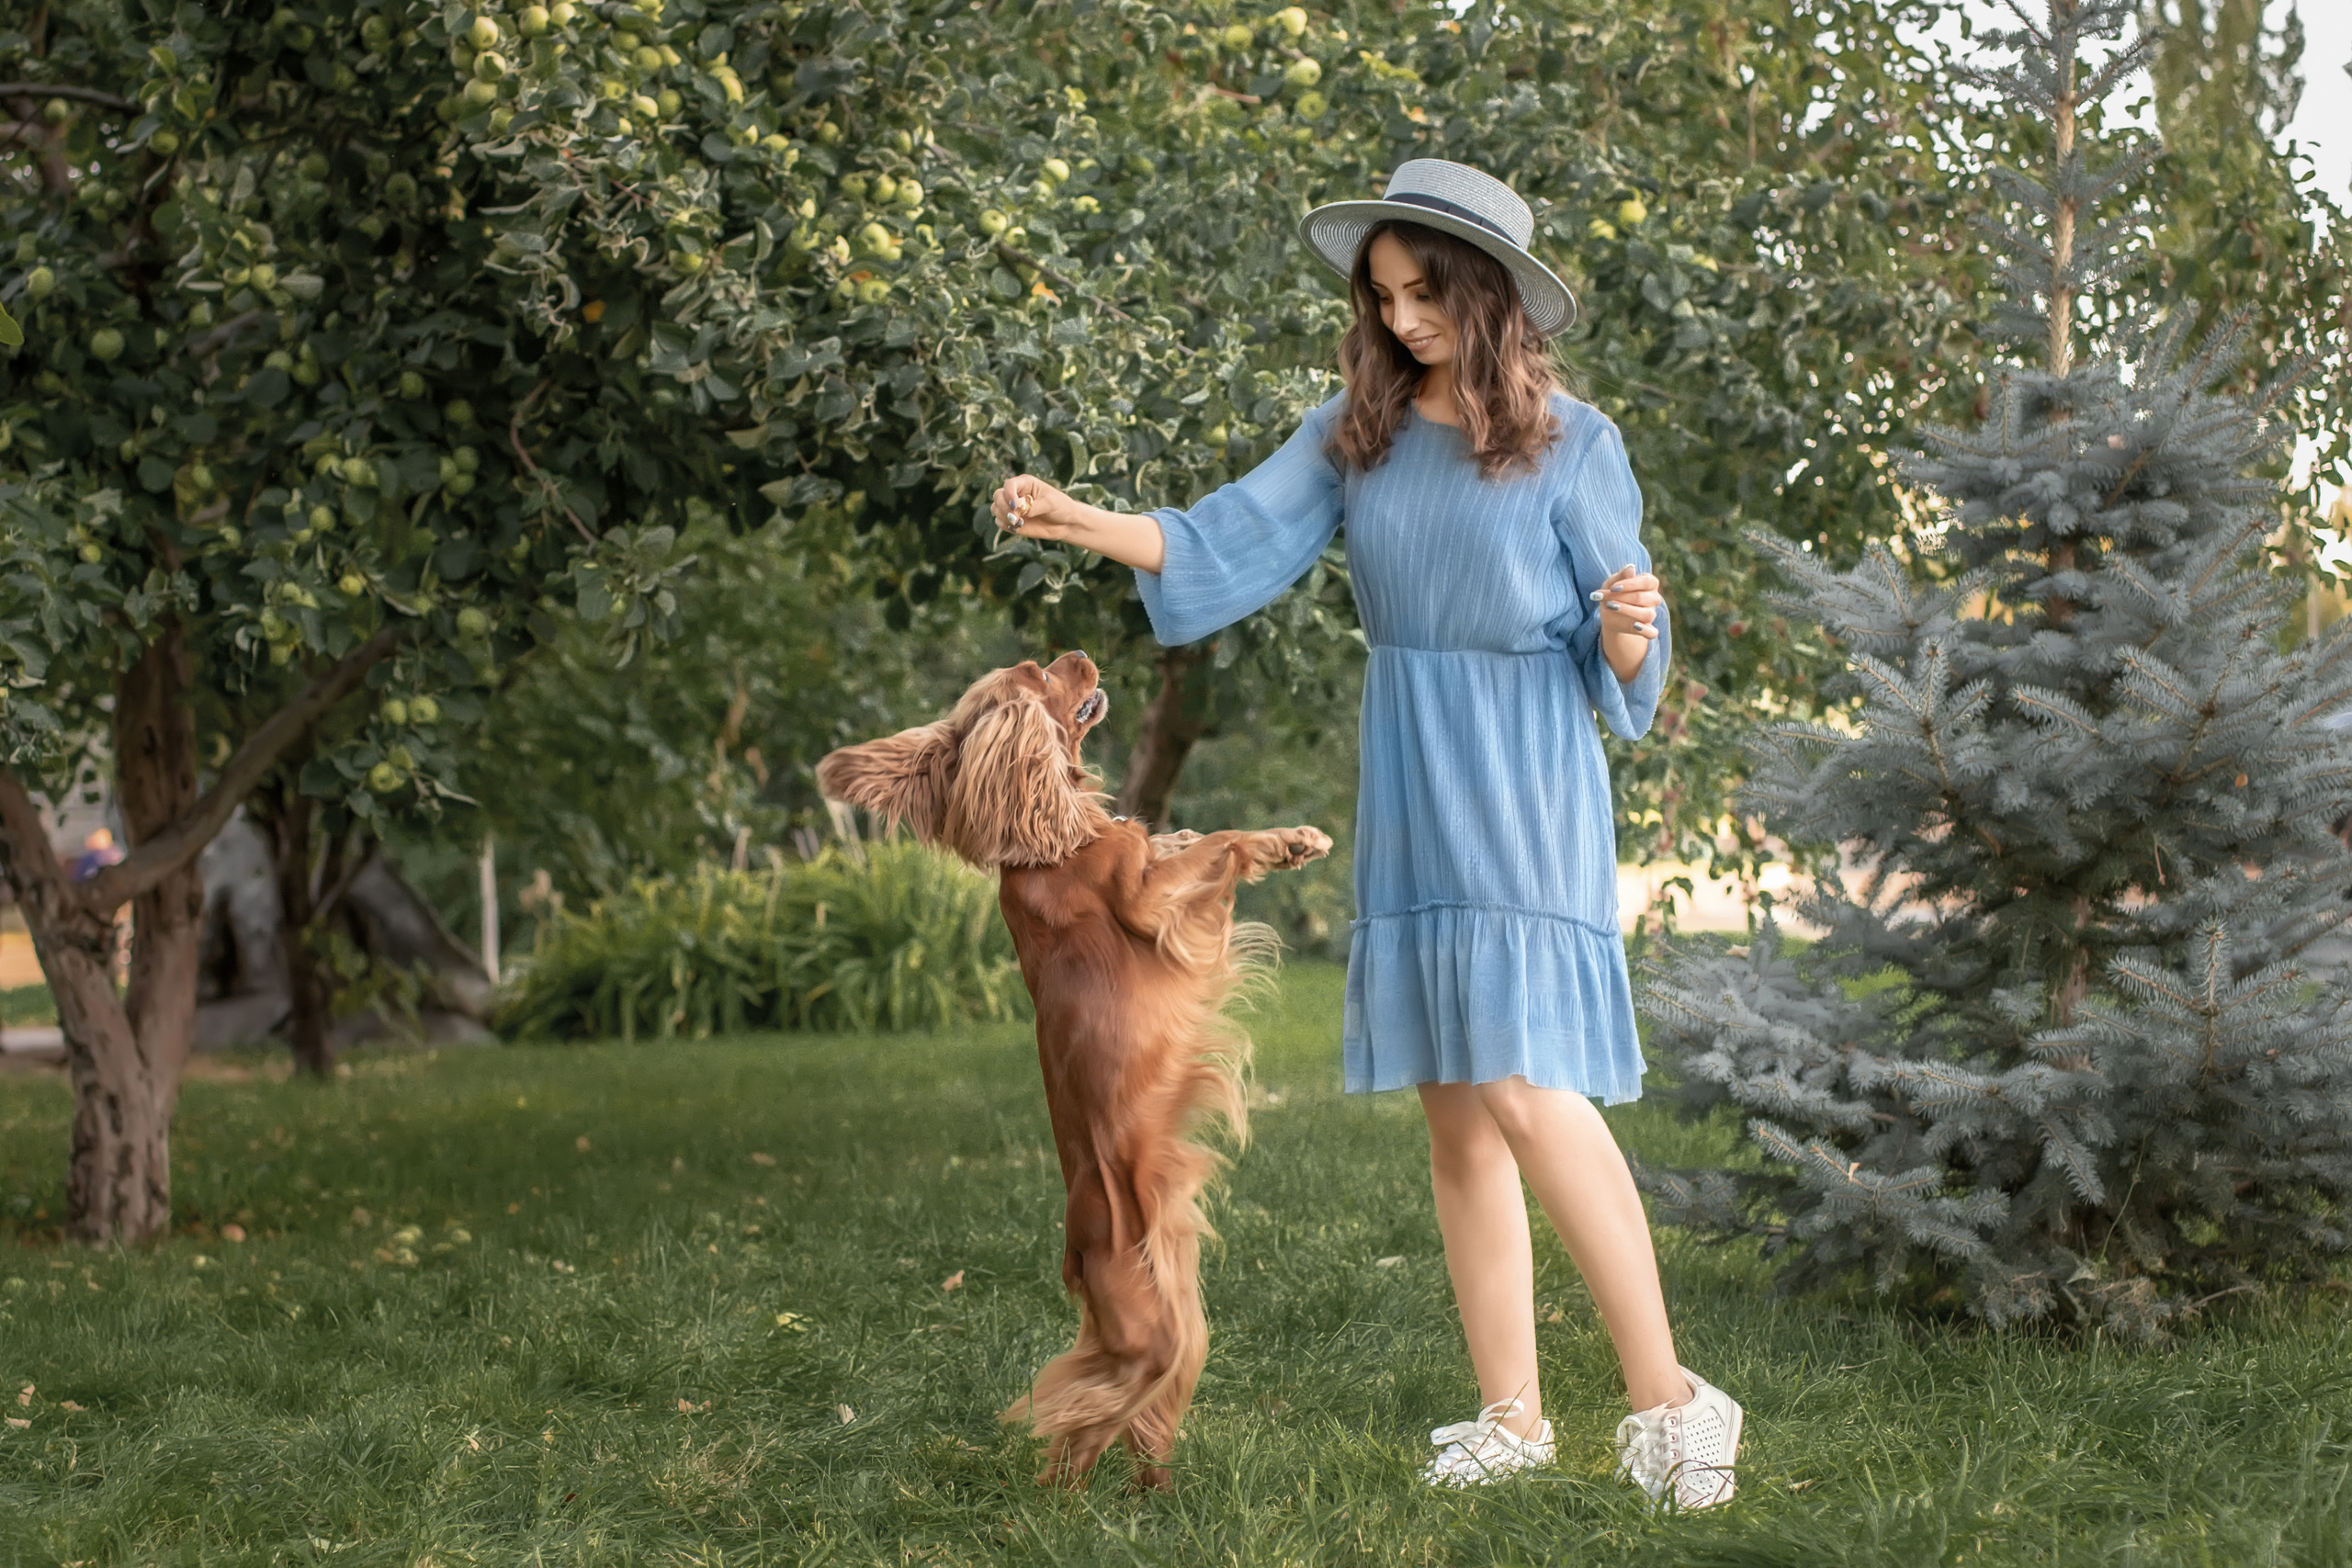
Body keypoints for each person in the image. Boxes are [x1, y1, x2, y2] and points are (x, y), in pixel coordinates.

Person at [987, 160, 1742, 1507]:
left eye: (1424, 294)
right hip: (1413, 763)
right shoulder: (1357, 433)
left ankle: (1673, 1403)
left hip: (1523, 777)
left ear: (1491, 294)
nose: (1400, 321)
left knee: (1519, 1085)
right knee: (1457, 1109)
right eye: (1383, 297)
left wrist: (1630, 637)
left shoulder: (1583, 444)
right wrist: (1074, 519)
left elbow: (1627, 636)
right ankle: (1511, 1417)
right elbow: (1226, 537)